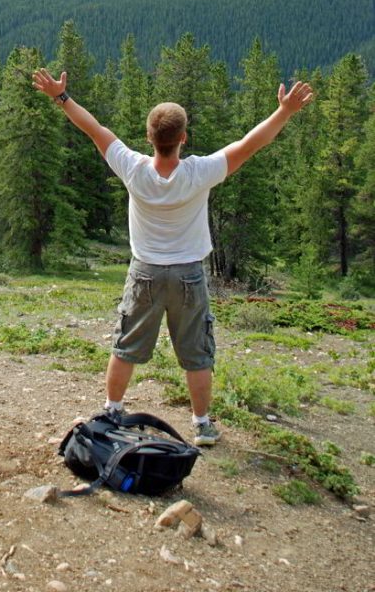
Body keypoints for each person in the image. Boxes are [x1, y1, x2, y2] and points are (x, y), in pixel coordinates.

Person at [32, 67, 313, 446]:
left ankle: (113, 410)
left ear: (149, 138)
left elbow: (94, 129)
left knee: (126, 345)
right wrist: (285, 112)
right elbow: (250, 144)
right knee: (197, 353)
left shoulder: (131, 167)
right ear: (182, 138)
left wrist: (60, 97)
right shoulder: (201, 172)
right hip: (188, 276)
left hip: (144, 272)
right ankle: (202, 425)